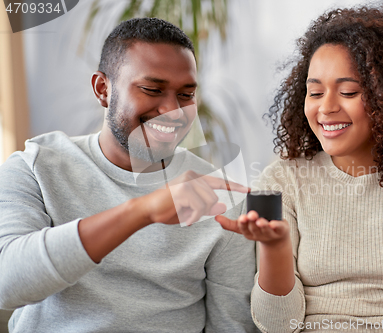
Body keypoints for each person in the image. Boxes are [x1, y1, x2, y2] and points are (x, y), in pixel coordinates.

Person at [217, 6, 383, 333]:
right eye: (314, 92)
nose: (326, 107)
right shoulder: (280, 179)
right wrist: (275, 249)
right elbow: (277, 325)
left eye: (348, 92)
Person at [0, 18, 257, 333]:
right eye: (152, 89)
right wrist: (143, 211)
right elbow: (6, 283)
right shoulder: (35, 168)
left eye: (186, 95)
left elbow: (232, 325)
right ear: (102, 89)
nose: (172, 111)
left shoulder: (219, 196)